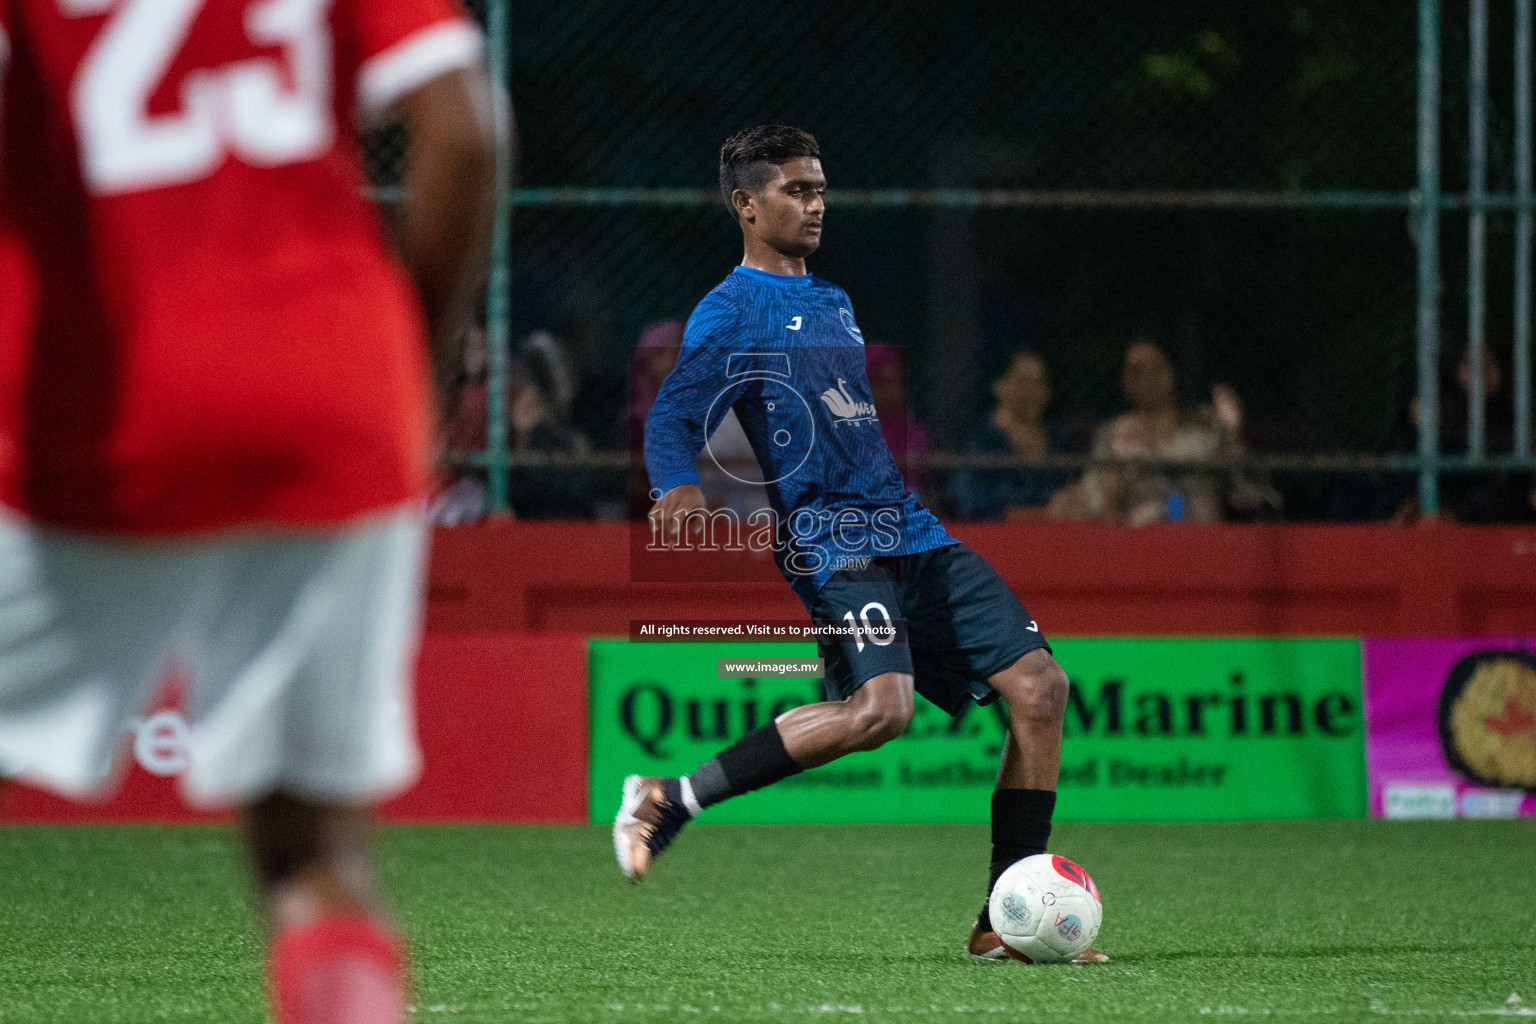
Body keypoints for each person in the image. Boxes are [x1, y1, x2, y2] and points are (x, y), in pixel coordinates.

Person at [0, 5, 497, 1024]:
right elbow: (466, 130)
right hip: (331, 392)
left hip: (102, 403)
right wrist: (405, 372)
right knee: (311, 855)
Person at [615, 125, 1105, 964]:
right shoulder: (730, 307)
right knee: (883, 712)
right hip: (831, 539)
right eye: (796, 191)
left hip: (909, 529)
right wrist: (675, 481)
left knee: (1041, 687)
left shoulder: (835, 300)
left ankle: (999, 920)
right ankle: (673, 796)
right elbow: (675, 412)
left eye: (819, 188)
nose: (816, 203)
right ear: (746, 204)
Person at [1066, 339, 1277, 524]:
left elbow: (1247, 498)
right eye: (1134, 372)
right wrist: (1120, 462)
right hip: (1142, 543)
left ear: (1170, 373)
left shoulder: (1205, 426)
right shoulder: (1112, 433)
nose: (1144, 380)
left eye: (1152, 370)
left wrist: (1230, 436)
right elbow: (1100, 508)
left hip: (1205, 541)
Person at [954, 351, 1074, 520]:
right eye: (1023, 382)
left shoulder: (1057, 440)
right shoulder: (981, 442)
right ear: (999, 386)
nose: (1033, 392)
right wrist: (1040, 516)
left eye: (1040, 383)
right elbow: (972, 507)